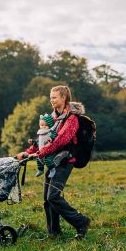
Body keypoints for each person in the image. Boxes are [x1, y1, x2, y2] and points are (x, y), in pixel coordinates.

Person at [17, 86, 90, 239]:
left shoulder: (72, 118)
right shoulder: (52, 117)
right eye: (50, 97)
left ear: (64, 98)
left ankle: (81, 222)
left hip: (65, 161)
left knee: (53, 197)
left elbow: (60, 140)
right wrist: (28, 152)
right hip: (52, 161)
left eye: (55, 97)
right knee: (47, 200)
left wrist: (39, 154)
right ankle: (53, 233)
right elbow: (43, 139)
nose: (51, 100)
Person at [28, 113, 70, 178]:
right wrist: (33, 142)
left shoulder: (50, 132)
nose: (43, 127)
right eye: (42, 125)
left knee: (48, 160)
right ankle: (40, 170)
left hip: (49, 150)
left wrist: (51, 138)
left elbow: (54, 135)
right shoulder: (40, 133)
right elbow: (38, 142)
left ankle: (52, 170)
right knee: (38, 159)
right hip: (41, 150)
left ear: (50, 125)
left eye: (46, 125)